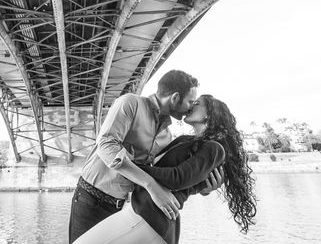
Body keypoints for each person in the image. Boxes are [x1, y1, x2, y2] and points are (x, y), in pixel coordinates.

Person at [74, 94, 257, 243]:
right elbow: (184, 177)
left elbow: (177, 179)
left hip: (150, 217)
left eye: (198, 103)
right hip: (145, 214)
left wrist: (131, 165)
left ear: (210, 114)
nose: (192, 104)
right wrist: (202, 188)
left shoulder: (215, 148)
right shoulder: (188, 141)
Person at [68, 70, 222, 243]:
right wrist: (150, 185)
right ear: (175, 97)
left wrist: (203, 188)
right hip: (91, 199)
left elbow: (170, 176)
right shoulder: (130, 103)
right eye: (190, 102)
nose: (190, 109)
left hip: (125, 208)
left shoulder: (167, 136)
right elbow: (105, 145)